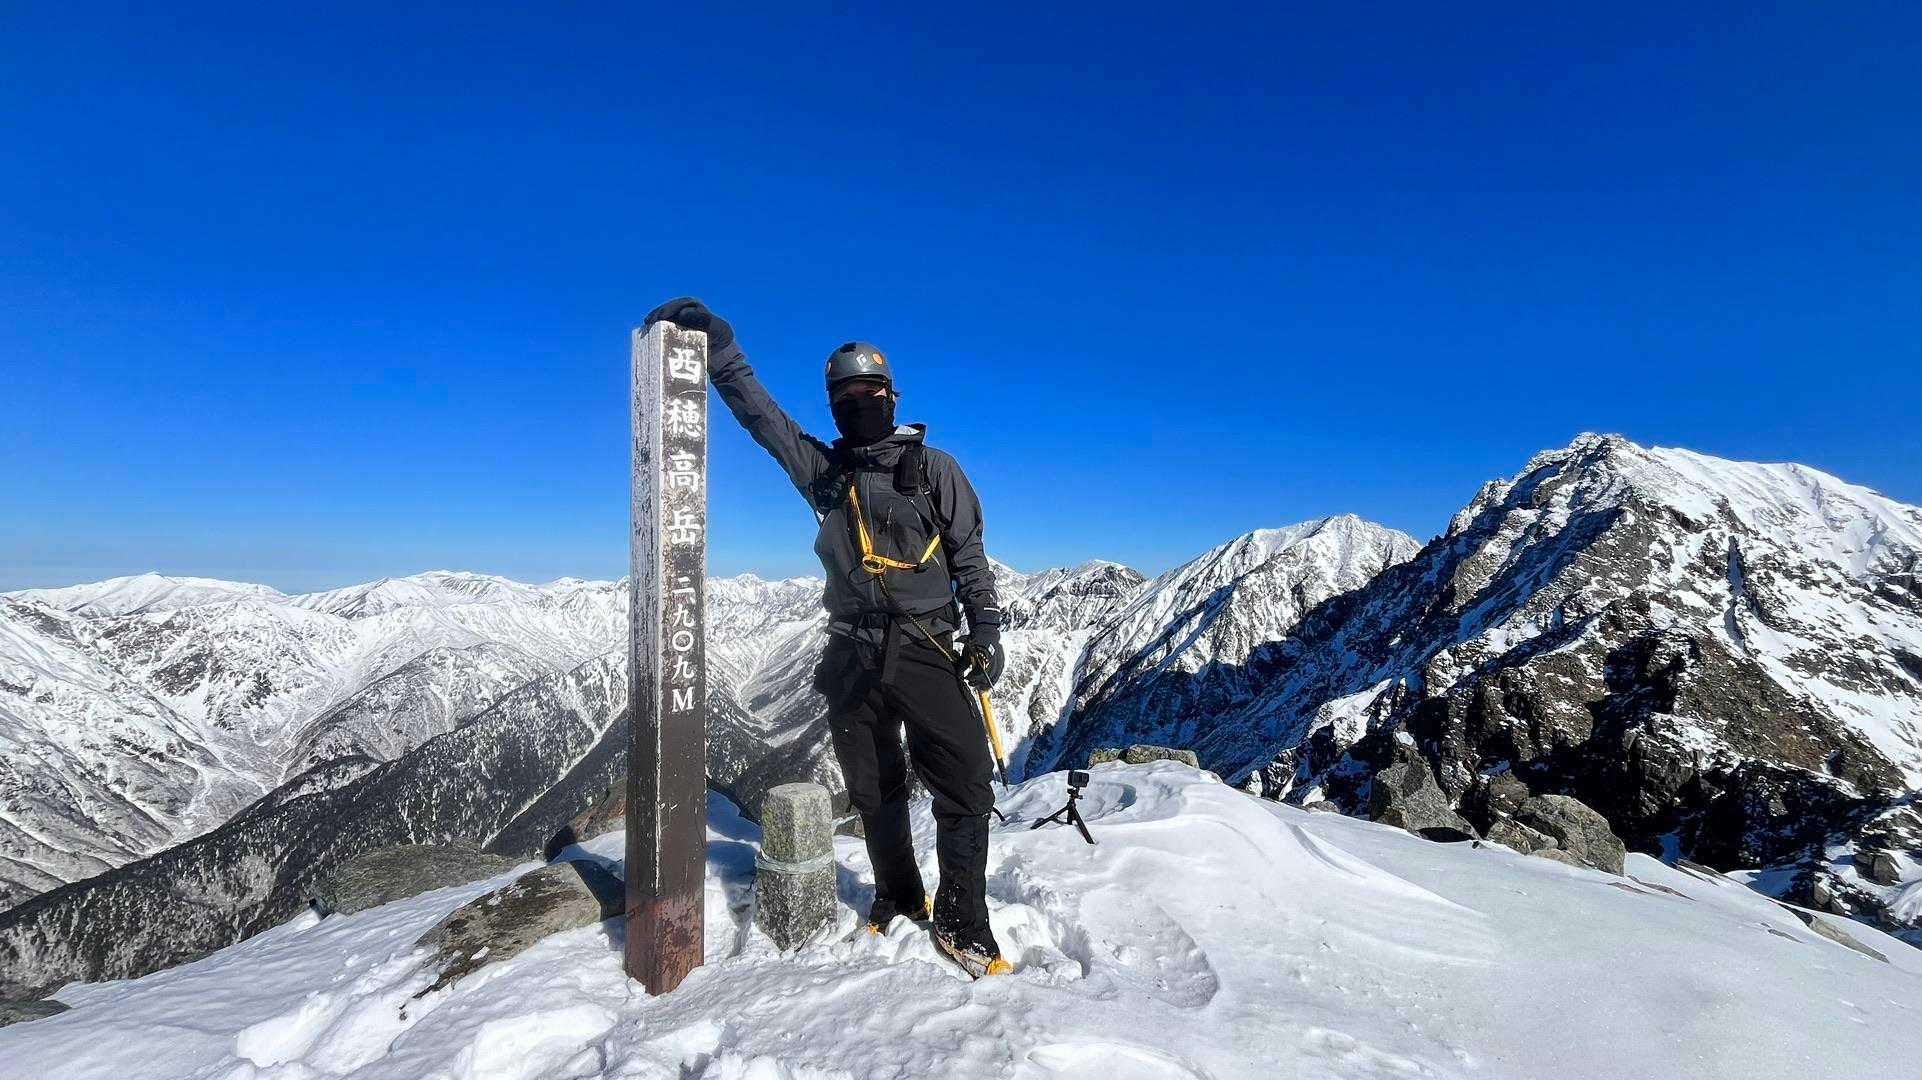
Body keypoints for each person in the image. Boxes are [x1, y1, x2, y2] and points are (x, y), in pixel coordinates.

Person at [643, 298, 1011, 978]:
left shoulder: (935, 470)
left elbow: (970, 557)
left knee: (965, 787)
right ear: (833, 406)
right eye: (845, 396)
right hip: (851, 653)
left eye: (869, 391)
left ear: (892, 396)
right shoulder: (826, 474)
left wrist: (985, 631)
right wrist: (722, 350)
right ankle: (899, 895)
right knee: (874, 789)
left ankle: (964, 920)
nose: (858, 403)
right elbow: (764, 420)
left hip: (927, 648)